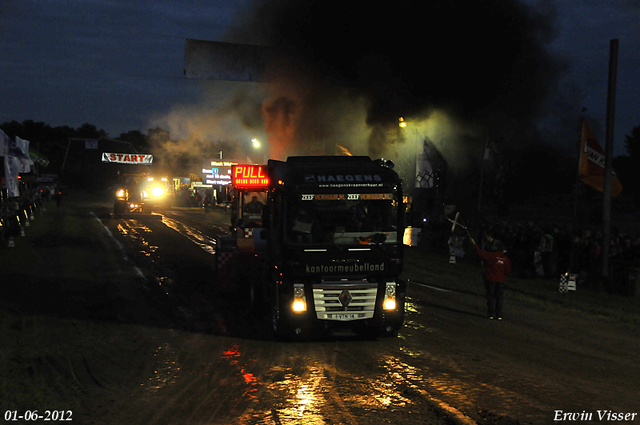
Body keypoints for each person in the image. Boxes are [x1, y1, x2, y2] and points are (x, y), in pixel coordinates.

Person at [471, 231, 512, 320]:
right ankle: (499, 314)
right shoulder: (505, 259)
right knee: (499, 297)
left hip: (491, 279)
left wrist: (475, 244)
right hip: (500, 280)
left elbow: (481, 254)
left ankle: (491, 314)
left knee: (490, 296)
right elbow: (508, 271)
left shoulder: (492, 255)